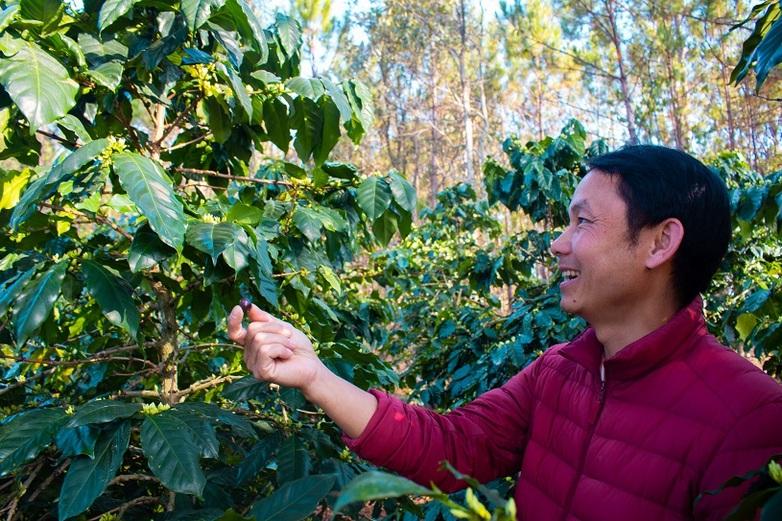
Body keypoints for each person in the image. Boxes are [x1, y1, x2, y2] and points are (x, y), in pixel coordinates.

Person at [227, 145, 782, 521]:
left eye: (583, 222)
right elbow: (451, 447)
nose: (557, 244)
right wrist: (315, 376)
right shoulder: (559, 372)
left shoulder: (750, 414)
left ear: (660, 243)